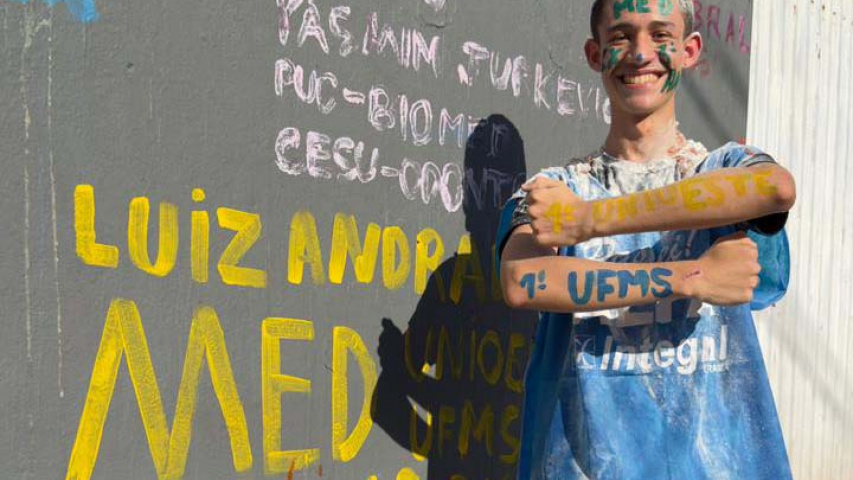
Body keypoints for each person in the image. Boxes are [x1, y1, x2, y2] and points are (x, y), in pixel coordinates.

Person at [496, 0, 796, 479]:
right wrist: (690, 277)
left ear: (689, 51)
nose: (640, 54)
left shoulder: (722, 170)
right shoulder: (555, 190)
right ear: (595, 54)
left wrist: (590, 221)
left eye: (661, 35)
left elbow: (775, 188)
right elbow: (522, 280)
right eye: (621, 36)